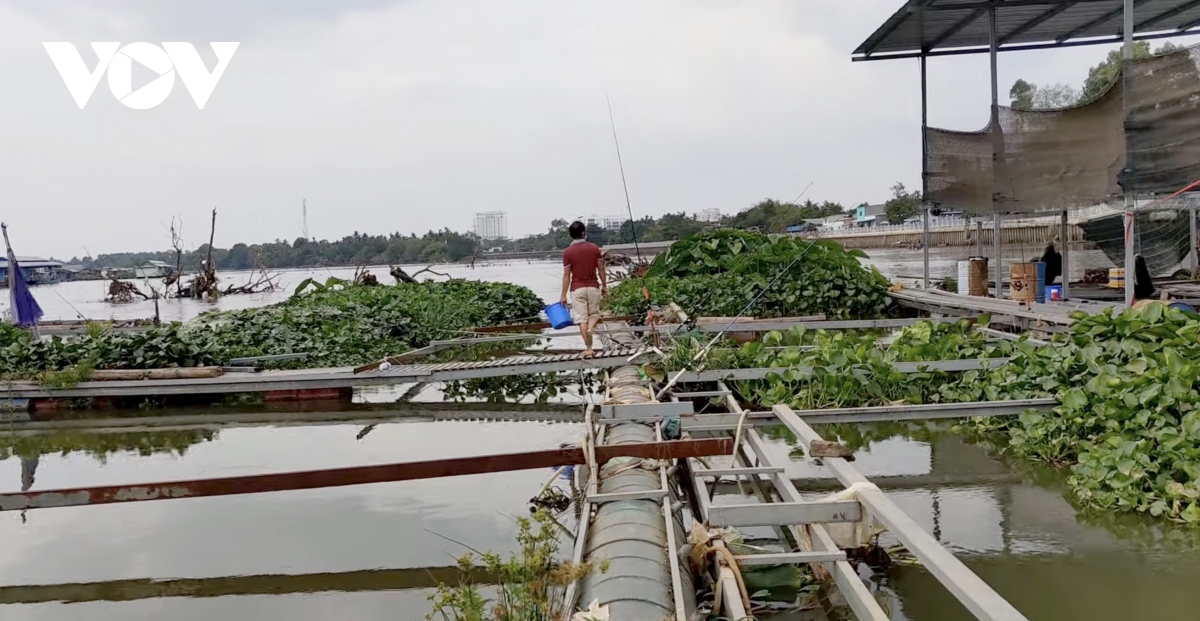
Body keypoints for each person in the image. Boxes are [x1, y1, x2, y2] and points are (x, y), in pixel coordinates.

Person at [560, 221, 606, 357]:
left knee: (581, 320)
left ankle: (589, 348)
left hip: (577, 289)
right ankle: (591, 328)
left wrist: (563, 295)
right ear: (583, 233)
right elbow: (601, 269)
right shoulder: (594, 248)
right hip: (593, 287)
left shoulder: (567, 252)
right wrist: (604, 285)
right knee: (594, 314)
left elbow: (566, 275)